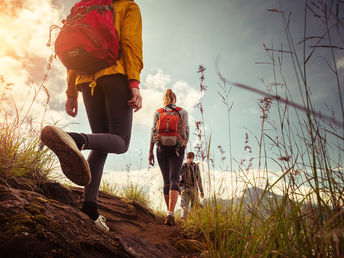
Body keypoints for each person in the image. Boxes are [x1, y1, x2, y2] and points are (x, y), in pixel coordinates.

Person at [40, 0, 143, 232]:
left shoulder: (83, 6)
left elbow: (72, 51)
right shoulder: (128, 6)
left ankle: (90, 209)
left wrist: (71, 92)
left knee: (102, 144)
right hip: (115, 75)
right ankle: (75, 140)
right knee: (121, 141)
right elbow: (130, 43)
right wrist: (134, 83)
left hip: (85, 80)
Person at [149, 89, 189, 226]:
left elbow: (153, 132)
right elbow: (186, 132)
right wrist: (184, 146)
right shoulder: (182, 112)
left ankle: (169, 213)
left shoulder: (158, 112)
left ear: (164, 99)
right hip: (177, 149)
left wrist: (150, 152)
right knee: (174, 179)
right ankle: (171, 214)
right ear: (175, 99)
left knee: (166, 180)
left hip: (160, 149)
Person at [179, 152, 204, 220]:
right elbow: (199, 179)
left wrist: (179, 189)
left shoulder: (183, 166)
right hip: (193, 188)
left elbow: (178, 177)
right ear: (193, 158)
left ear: (186, 157)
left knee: (184, 204)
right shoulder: (196, 166)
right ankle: (194, 221)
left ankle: (184, 220)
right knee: (194, 205)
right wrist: (201, 190)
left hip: (184, 188)